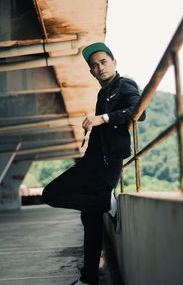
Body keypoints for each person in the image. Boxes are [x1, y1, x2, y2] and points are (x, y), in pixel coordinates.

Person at [42, 42, 146, 285]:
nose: (99, 67)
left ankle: (104, 201)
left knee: (51, 194)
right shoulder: (103, 92)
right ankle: (88, 279)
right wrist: (96, 125)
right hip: (95, 160)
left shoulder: (124, 84)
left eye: (103, 61)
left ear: (114, 63)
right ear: (91, 72)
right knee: (91, 224)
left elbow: (139, 111)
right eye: (94, 65)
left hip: (104, 164)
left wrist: (104, 117)